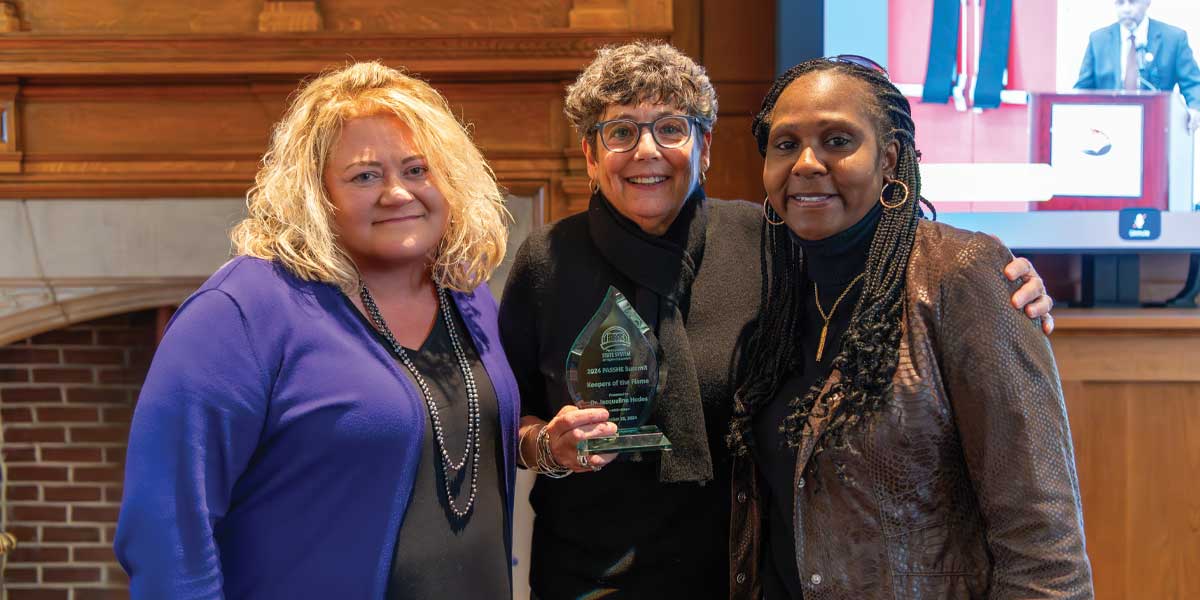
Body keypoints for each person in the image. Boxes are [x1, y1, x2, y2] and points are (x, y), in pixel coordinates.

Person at [497, 42, 1056, 599]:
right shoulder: (547, 260)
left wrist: (995, 280)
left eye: (671, 128)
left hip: (742, 577)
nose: (647, 150)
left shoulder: (770, 244)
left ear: (705, 146)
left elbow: (884, 258)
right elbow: (506, 418)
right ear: (592, 156)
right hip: (586, 580)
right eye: (619, 132)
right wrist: (546, 446)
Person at [114, 62, 517, 599]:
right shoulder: (240, 312)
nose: (398, 193)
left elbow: (446, 448)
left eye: (418, 170)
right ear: (315, 194)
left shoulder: (466, 294)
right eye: (365, 175)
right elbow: (165, 527)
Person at [728, 57, 1094, 599]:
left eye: (837, 141)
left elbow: (1044, 552)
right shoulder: (773, 286)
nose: (807, 163)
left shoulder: (962, 276)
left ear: (890, 160)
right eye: (786, 145)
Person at [1075, 0, 1200, 132]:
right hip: (1109, 127)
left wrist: (1195, 108)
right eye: (1120, 3)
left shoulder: (1173, 38)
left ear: (1147, 3)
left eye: (1132, 2)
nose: (1126, 9)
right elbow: (1083, 88)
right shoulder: (1098, 39)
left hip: (1156, 127)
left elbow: (1192, 83)